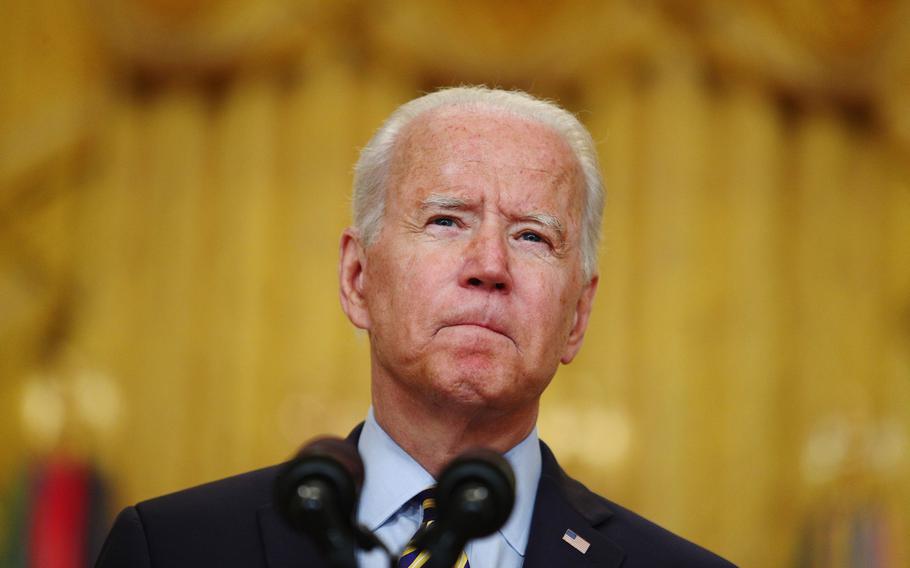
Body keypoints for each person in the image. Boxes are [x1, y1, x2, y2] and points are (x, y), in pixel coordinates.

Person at [95, 87, 735, 567]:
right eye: (446, 222)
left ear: (578, 317)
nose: (490, 266)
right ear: (357, 278)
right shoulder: (173, 548)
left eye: (533, 236)